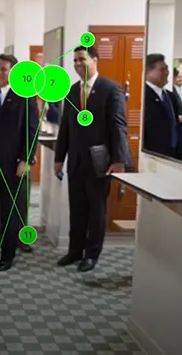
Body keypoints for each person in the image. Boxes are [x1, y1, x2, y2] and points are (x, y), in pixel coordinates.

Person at [54, 45, 128, 273]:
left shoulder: (111, 89)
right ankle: (75, 250)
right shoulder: (72, 91)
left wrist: (119, 160)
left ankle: (92, 254)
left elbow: (118, 126)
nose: (78, 64)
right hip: (76, 161)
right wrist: (59, 158)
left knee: (96, 210)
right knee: (76, 208)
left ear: (95, 60)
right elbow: (65, 127)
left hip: (99, 162)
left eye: (82, 59)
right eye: (75, 60)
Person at [0, 54, 39, 271]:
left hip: (11, 163)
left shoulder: (24, 96)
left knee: (8, 211)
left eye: (3, 69)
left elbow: (31, 130)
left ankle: (7, 254)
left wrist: (26, 159)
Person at [142, 54, 181, 159]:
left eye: (167, 69)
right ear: (148, 72)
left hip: (173, 153)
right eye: (162, 69)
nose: (167, 72)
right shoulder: (142, 95)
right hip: (152, 154)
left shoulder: (171, 96)